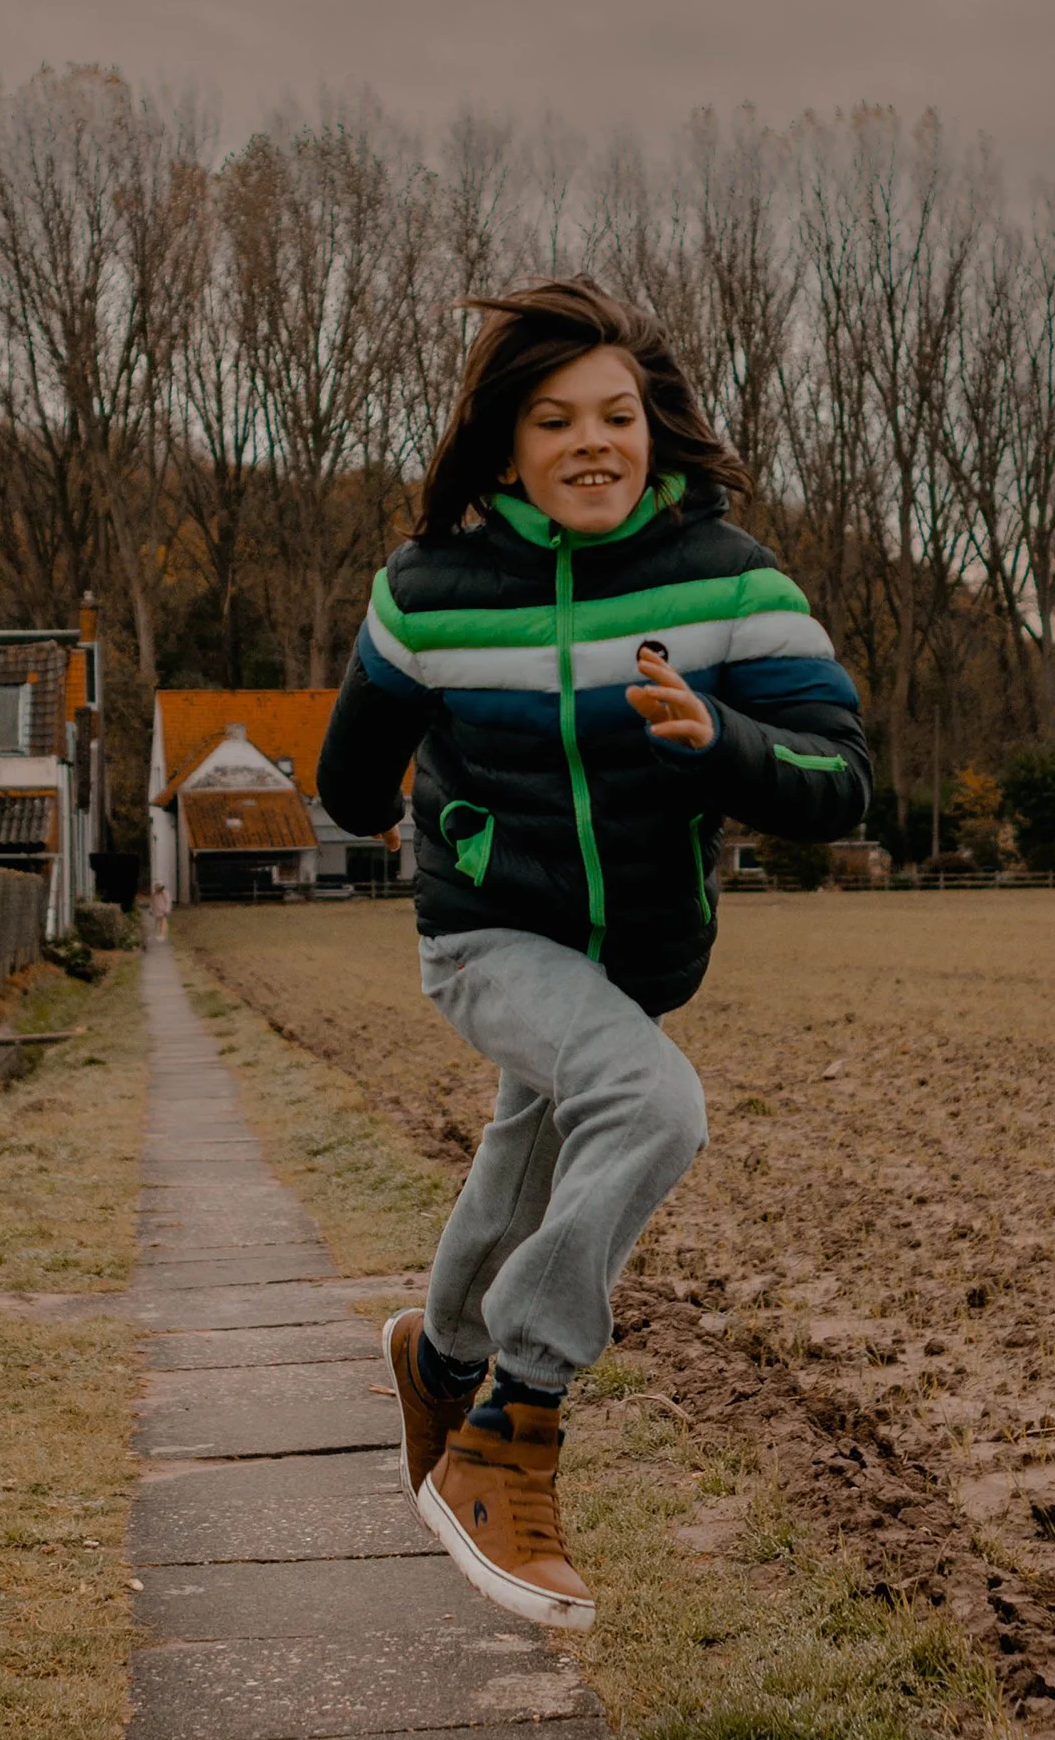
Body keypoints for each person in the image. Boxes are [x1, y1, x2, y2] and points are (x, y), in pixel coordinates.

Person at [317, 278, 869, 1629]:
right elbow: (346, 785)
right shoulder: (430, 594)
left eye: (616, 415)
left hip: (639, 956)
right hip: (491, 938)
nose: (591, 443)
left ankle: (438, 1359)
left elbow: (840, 782)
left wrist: (721, 743)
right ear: (506, 444)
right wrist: (429, 809)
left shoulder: (729, 583)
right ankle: (513, 1424)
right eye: (555, 420)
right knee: (653, 1103)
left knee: (531, 1153)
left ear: (653, 429)